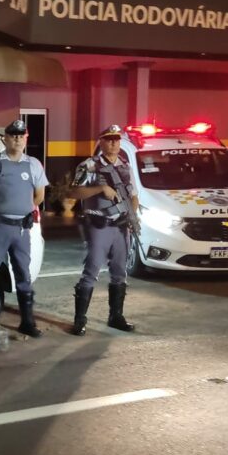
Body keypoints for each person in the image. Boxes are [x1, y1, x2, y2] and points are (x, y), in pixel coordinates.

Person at [0, 119, 48, 337]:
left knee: (24, 275)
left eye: (21, 135)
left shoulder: (33, 164)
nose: (17, 139)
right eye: (13, 135)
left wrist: (26, 208)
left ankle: (27, 322)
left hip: (22, 230)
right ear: (5, 138)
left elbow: (40, 195)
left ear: (26, 138)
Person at [68, 124, 138, 335]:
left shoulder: (125, 166)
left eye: (117, 139)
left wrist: (131, 215)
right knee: (91, 272)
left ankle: (116, 316)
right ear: (101, 141)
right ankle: (80, 320)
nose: (114, 143)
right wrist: (99, 188)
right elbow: (73, 192)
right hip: (99, 226)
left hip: (121, 226)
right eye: (109, 139)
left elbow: (133, 195)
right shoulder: (89, 165)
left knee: (120, 273)